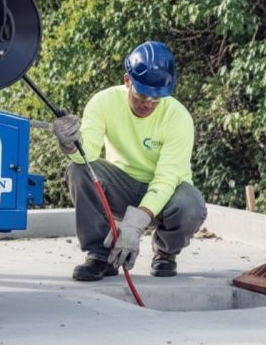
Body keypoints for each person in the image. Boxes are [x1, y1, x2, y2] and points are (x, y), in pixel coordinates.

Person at [53, 41, 207, 281]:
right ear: (127, 81)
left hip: (166, 196)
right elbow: (88, 155)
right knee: (78, 170)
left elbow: (166, 178)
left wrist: (136, 224)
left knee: (191, 205)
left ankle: (165, 253)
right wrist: (71, 144)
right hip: (121, 187)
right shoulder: (103, 102)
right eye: (142, 95)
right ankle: (100, 254)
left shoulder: (178, 118)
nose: (148, 104)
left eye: (157, 98)